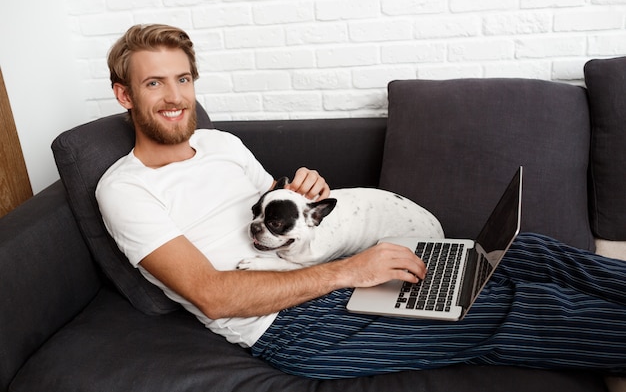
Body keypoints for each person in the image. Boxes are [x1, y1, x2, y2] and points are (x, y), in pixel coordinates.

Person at [96, 24, 626, 379]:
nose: (175, 97)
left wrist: (306, 192)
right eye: (154, 83)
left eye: (183, 79)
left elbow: (281, 210)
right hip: (288, 326)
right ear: (125, 94)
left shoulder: (220, 143)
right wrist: (352, 270)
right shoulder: (125, 188)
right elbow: (213, 295)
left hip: (323, 270)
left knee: (524, 252)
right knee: (507, 307)